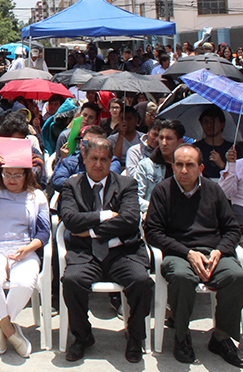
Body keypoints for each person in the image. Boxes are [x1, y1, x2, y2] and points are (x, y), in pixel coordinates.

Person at [143, 144, 243, 367]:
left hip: (213, 253)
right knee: (182, 278)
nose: (183, 170)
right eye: (179, 165)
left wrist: (220, 251)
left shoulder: (213, 190)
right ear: (172, 167)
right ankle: (181, 337)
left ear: (200, 167)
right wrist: (188, 253)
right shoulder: (163, 191)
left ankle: (221, 337)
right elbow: (153, 232)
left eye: (189, 165)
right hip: (178, 253)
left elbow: (232, 228)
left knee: (237, 277)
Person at [59, 137, 153, 363]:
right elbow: (70, 220)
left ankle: (135, 336)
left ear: (111, 160)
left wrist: (91, 231)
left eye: (104, 159)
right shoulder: (72, 185)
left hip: (123, 253)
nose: (98, 164)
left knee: (142, 281)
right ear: (84, 158)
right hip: (86, 255)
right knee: (71, 281)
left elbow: (130, 220)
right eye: (93, 159)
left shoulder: (126, 184)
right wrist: (104, 216)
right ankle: (82, 336)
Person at [0, 154, 49, 358]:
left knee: (23, 284)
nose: (12, 179)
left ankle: (0, 326)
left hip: (23, 248)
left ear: (27, 175)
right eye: (7, 174)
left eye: (17, 175)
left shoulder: (37, 196)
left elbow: (44, 231)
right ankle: (11, 331)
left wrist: (30, 247)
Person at [132, 119, 184, 216]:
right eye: (161, 138)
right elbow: (135, 198)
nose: (164, 143)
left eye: (169, 138)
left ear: (180, 141)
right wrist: (157, 207)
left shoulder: (186, 167)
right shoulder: (145, 165)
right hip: (152, 217)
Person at [193, 106, 235, 180]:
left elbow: (239, 174)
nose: (209, 125)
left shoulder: (233, 149)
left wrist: (222, 164)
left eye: (213, 121)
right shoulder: (194, 149)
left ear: (222, 124)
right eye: (205, 122)